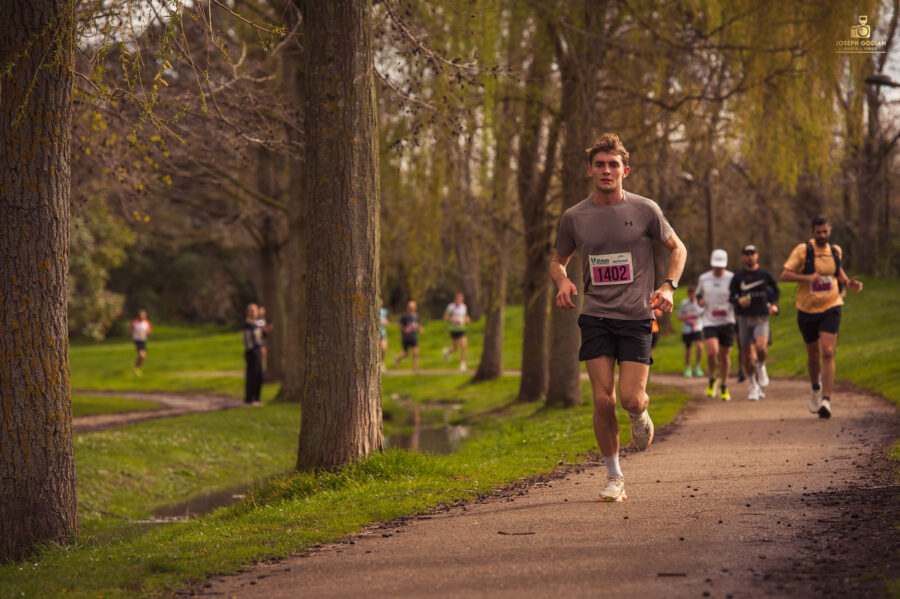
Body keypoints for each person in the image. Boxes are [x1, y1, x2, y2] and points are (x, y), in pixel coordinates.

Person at [550, 133, 687, 503]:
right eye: (600, 164)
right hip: (595, 315)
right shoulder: (574, 217)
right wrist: (562, 282)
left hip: (636, 316)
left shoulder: (645, 210)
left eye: (613, 165)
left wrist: (669, 286)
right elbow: (558, 260)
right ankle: (614, 477)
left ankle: (640, 414)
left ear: (625, 170)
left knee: (630, 398)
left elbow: (678, 248)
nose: (606, 170)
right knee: (602, 399)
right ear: (590, 170)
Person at [780, 215, 862, 418]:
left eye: (825, 231)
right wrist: (807, 278)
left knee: (827, 351)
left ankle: (826, 400)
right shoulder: (803, 250)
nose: (822, 235)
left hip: (831, 305)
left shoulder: (835, 251)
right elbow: (785, 275)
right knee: (813, 355)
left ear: (830, 230)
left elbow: (837, 271)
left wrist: (848, 283)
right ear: (812, 232)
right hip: (807, 309)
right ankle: (816, 388)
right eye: (819, 232)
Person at [729, 244, 780, 401]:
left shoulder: (764, 274)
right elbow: (732, 297)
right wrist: (739, 301)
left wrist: (773, 304)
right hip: (744, 318)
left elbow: (775, 291)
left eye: (752, 253)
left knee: (761, 347)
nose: (750, 256)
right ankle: (753, 384)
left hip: (761, 317)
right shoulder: (738, 277)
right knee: (747, 355)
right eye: (747, 254)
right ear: (743, 257)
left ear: (757, 255)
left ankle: (762, 366)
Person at [697, 249, 735, 401]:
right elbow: (699, 294)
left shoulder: (732, 278)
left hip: (727, 320)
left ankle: (724, 385)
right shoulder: (704, 278)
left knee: (725, 356)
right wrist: (700, 300)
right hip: (710, 320)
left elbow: (737, 295)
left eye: (721, 266)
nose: (718, 269)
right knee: (712, 352)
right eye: (716, 266)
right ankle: (712, 378)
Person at [676, 287, 704, 378]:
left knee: (700, 346)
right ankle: (688, 368)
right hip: (687, 329)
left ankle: (697, 367)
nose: (693, 296)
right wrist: (686, 317)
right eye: (691, 294)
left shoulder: (700, 303)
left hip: (697, 328)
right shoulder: (684, 304)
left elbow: (705, 313)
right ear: (689, 295)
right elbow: (679, 317)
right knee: (689, 349)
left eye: (694, 294)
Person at [442, 292, 470, 372]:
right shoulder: (450, 307)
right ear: (455, 299)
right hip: (453, 329)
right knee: (455, 348)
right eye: (458, 298)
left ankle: (463, 364)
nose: (460, 300)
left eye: (461, 298)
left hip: (462, 329)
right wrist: (453, 319)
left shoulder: (464, 306)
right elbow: (445, 317)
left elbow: (466, 315)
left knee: (463, 345)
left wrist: (467, 319)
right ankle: (447, 352)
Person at [243, 303, 264, 405]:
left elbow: (262, 331)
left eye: (254, 310)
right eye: (251, 310)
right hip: (252, 352)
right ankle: (250, 398)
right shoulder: (248, 324)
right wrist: (253, 350)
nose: (253, 312)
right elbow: (248, 340)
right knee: (252, 375)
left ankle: (257, 397)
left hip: (258, 351)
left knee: (259, 375)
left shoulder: (257, 323)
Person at [394, 300, 424, 371]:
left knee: (416, 352)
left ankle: (415, 367)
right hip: (406, 337)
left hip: (413, 336)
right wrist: (404, 329)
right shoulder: (405, 316)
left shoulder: (416, 315)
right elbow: (398, 323)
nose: (412, 309)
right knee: (406, 354)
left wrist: (420, 329)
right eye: (410, 307)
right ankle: (397, 358)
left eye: (413, 307)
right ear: (408, 308)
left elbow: (419, 323)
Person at [129, 310, 152, 376]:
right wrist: (132, 337)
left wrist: (149, 333)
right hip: (137, 340)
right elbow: (130, 329)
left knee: (143, 356)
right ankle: (136, 369)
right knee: (142, 355)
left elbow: (149, 331)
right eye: (140, 315)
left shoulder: (146, 322)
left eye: (143, 315)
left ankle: (137, 368)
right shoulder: (135, 322)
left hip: (143, 340)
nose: (142, 316)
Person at [379, 299, 390, 373]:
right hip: (374, 334)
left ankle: (381, 363)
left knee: (384, 348)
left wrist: (385, 322)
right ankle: (378, 365)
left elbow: (388, 322)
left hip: (382, 333)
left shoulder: (384, 311)